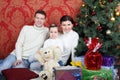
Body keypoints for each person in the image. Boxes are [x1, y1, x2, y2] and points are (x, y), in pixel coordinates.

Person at [0, 10, 49, 74]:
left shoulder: (46, 31)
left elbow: (55, 34)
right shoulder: (26, 28)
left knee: (15, 73)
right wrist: (19, 58)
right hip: (16, 55)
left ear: (45, 20)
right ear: (34, 18)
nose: (39, 20)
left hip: (27, 60)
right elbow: (19, 44)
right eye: (37, 18)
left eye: (42, 18)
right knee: (2, 69)